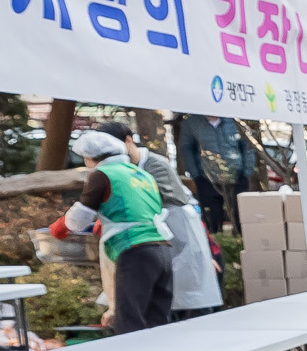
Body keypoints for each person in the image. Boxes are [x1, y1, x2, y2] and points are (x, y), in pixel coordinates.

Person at [96, 120, 224, 315]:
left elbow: (155, 205)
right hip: (149, 242)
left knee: (186, 302)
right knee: (155, 301)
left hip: (179, 238)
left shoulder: (156, 166)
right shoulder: (119, 170)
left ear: (129, 141)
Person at [58, 129, 174, 333]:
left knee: (130, 319)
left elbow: (78, 219)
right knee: (157, 318)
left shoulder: (102, 174)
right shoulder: (142, 174)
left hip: (134, 250)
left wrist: (60, 226)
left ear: (89, 157)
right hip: (162, 248)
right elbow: (135, 209)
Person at [174, 113, 263, 232]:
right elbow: (186, 149)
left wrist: (247, 171)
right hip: (206, 178)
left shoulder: (234, 121)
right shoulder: (192, 123)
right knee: (213, 217)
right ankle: (217, 243)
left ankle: (240, 241)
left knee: (240, 213)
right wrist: (195, 174)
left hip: (237, 175)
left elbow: (247, 147)